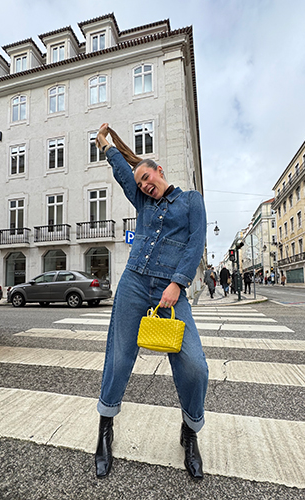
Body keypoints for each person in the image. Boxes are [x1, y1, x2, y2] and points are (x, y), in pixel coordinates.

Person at [94, 123, 208, 481]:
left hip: (169, 290)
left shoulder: (191, 201)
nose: (144, 184)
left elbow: (195, 244)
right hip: (134, 282)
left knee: (194, 365)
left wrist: (177, 283)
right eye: (140, 182)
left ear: (160, 171)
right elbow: (121, 170)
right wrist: (105, 145)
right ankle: (105, 428)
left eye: (147, 177)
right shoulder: (142, 200)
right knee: (119, 357)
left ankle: (190, 430)